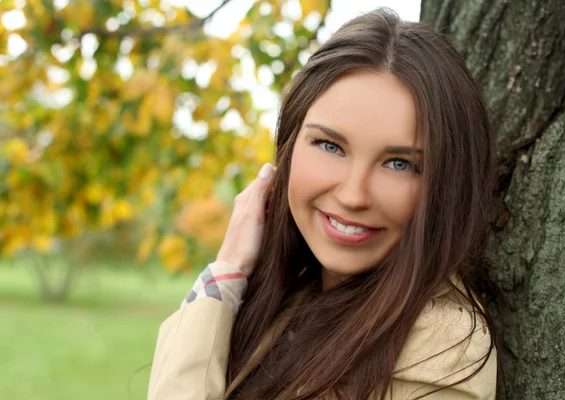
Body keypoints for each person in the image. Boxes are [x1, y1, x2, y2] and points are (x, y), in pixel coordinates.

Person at [148, 7, 499, 400]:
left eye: (399, 163)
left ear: (447, 184)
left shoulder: (442, 349)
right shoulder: (291, 300)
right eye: (330, 145)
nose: (353, 195)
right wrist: (226, 273)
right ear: (289, 146)